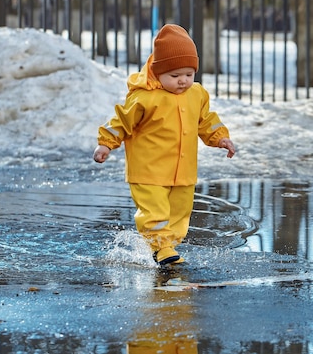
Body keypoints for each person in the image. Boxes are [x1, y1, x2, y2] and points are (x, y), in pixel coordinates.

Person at [93, 24, 235, 265]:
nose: (183, 81)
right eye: (175, 75)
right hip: (148, 169)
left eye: (189, 75)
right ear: (159, 73)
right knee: (154, 211)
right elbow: (121, 120)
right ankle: (161, 248)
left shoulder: (197, 94)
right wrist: (106, 143)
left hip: (183, 170)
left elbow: (206, 120)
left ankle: (168, 246)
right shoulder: (145, 98)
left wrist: (220, 138)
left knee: (180, 211)